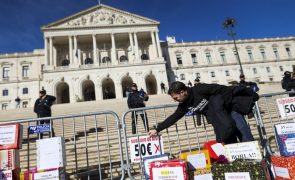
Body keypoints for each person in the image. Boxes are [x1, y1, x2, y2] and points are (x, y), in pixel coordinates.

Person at [148, 81, 258, 144]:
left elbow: (224, 89)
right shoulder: (184, 105)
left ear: (182, 92)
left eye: (176, 97)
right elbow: (174, 117)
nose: (175, 100)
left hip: (231, 113)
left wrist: (223, 107)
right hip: (220, 122)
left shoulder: (199, 89)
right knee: (231, 146)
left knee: (246, 139)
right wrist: (157, 129)